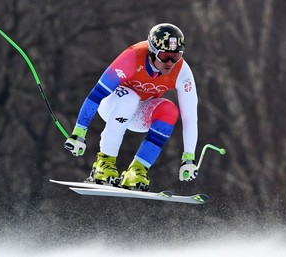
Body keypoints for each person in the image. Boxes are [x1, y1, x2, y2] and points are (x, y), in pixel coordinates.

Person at [64, 23, 199, 191]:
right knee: (130, 97)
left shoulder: (182, 71)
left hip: (139, 115)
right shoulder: (133, 57)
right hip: (113, 106)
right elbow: (96, 95)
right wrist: (79, 132)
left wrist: (189, 157)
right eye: (164, 56)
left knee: (169, 110)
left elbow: (190, 117)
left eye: (176, 56)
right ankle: (104, 164)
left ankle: (137, 171)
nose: (170, 62)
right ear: (152, 51)